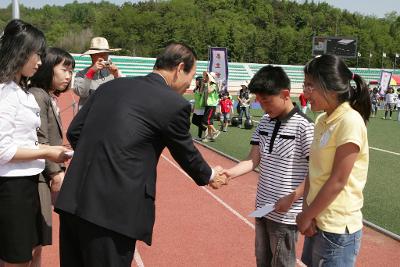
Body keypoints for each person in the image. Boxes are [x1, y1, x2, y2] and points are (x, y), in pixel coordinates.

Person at [54, 43, 226, 267]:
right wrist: (210, 175)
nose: (190, 85)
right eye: (191, 76)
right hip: (112, 214)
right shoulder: (173, 104)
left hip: (73, 202)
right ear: (179, 68)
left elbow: (75, 132)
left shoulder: (111, 87)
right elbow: (186, 152)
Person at [220, 65, 314, 267]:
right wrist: (230, 173)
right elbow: (253, 159)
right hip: (263, 208)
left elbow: (315, 173)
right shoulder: (264, 121)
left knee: (282, 263)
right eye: (259, 101)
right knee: (262, 261)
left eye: (267, 101)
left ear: (285, 94)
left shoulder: (304, 127)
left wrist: (293, 196)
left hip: (285, 213)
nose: (263, 106)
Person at [0, 19, 71, 267]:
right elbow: (2, 150)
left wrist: (48, 152)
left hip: (24, 184)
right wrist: (48, 152)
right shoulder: (6, 92)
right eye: (37, 54)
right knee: (16, 260)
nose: (40, 62)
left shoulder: (19, 91)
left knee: (24, 256)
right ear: (20, 51)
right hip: (12, 188)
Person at [296, 55, 371, 267]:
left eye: (310, 86)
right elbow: (313, 170)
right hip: (317, 222)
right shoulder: (322, 120)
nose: (305, 93)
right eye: (305, 85)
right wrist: (307, 213)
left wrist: (306, 216)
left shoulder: (350, 121)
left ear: (331, 88)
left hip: (337, 229)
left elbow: (338, 180)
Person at [28, 47, 75, 265]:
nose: (68, 75)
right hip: (38, 178)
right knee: (32, 243)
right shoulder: (38, 95)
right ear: (48, 68)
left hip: (42, 176)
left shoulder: (46, 96)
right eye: (64, 69)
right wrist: (56, 174)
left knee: (37, 243)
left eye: (71, 70)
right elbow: (40, 138)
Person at [73, 36, 122, 109]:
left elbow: (121, 92)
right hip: (88, 116)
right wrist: (91, 72)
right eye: (99, 54)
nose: (102, 57)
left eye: (105, 53)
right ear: (91, 55)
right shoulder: (81, 74)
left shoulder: (113, 72)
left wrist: (116, 75)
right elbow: (82, 93)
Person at [202, 71, 221, 141]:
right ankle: (209, 136)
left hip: (211, 105)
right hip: (208, 104)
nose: (206, 77)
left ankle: (215, 131)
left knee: (206, 120)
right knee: (209, 120)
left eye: (207, 76)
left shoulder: (213, 84)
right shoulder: (209, 83)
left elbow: (209, 91)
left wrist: (208, 82)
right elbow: (202, 91)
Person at [191, 75, 207, 140]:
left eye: (197, 80)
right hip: (197, 107)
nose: (196, 81)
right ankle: (200, 135)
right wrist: (193, 107)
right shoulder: (196, 89)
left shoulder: (202, 89)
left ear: (200, 81)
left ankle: (205, 130)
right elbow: (195, 99)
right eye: (196, 80)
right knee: (194, 121)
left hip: (201, 108)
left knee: (197, 122)